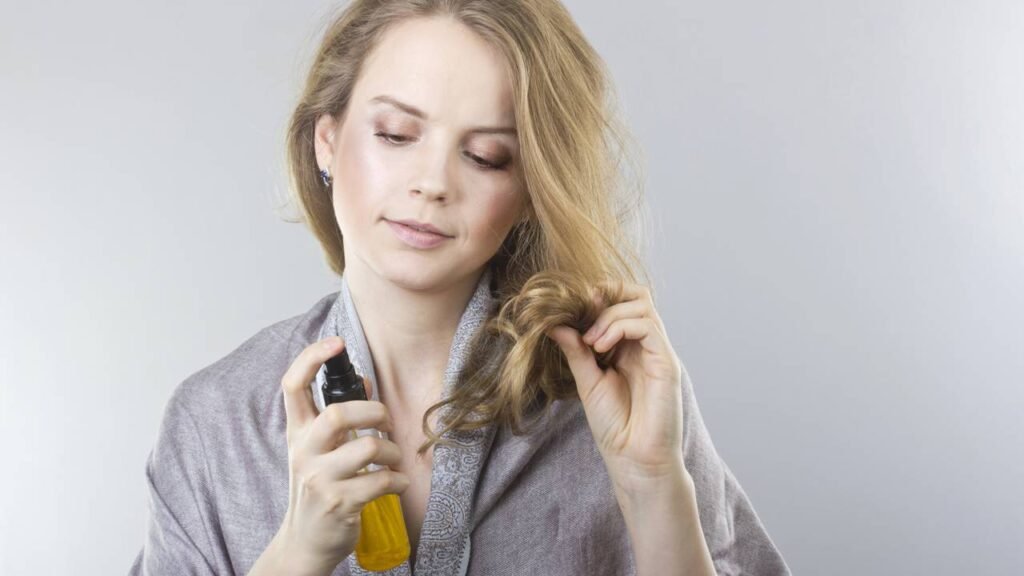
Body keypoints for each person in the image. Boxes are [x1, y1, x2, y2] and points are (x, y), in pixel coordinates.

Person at [129, 1, 792, 575]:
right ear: (325, 142)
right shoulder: (214, 422)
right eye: (395, 134)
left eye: (486, 156)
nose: (433, 182)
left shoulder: (618, 397)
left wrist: (652, 486)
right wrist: (297, 554)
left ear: (531, 189)